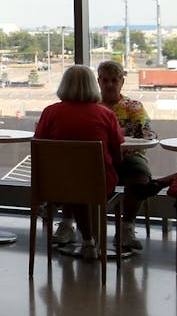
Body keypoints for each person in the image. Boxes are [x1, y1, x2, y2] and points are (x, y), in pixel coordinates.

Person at [34, 64, 122, 260]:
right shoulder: (106, 114)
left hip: (57, 183)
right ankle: (90, 241)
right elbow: (116, 152)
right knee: (81, 181)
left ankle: (78, 231)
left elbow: (39, 146)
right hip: (96, 182)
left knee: (71, 181)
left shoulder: (50, 112)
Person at [96, 60, 163, 251]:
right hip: (100, 158)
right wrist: (125, 130)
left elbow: (144, 131)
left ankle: (127, 229)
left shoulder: (133, 105)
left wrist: (111, 133)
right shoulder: (93, 105)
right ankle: (84, 230)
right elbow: (134, 130)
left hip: (130, 157)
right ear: (98, 81)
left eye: (114, 80)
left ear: (122, 82)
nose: (109, 85)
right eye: (105, 80)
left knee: (141, 178)